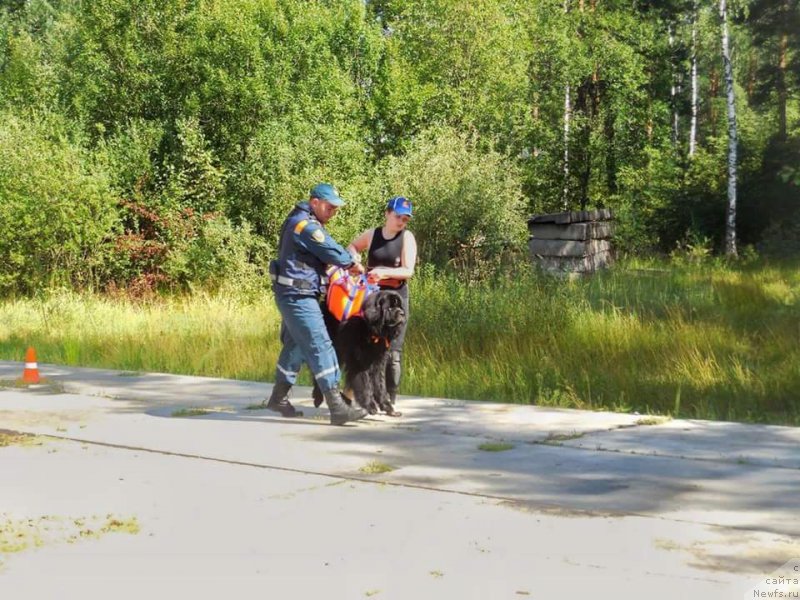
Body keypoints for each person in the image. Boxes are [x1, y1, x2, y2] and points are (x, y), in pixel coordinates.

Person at [264, 183, 368, 425]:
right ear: (314, 202)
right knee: (321, 345)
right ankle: (337, 407)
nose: (333, 211)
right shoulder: (306, 226)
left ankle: (278, 398)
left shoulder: (301, 221)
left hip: (293, 293)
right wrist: (351, 261)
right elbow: (331, 250)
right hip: (298, 296)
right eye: (329, 207)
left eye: (336, 208)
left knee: (295, 347)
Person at [347, 196, 417, 417]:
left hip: (395, 297)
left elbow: (408, 270)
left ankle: (389, 400)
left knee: (392, 352)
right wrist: (355, 260)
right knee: (363, 349)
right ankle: (350, 397)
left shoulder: (407, 238)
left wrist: (383, 272)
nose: (401, 222)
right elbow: (352, 246)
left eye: (405, 219)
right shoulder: (373, 234)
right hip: (372, 298)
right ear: (387, 213)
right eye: (398, 217)